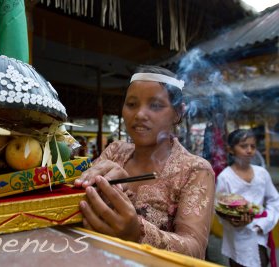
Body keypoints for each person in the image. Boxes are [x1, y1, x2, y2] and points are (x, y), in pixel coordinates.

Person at [74, 65, 215, 259]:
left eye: (155, 105)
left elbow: (195, 249)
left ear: (177, 113)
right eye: (131, 104)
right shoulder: (115, 152)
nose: (139, 114)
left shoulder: (195, 170)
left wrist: (138, 232)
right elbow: (77, 203)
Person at [216, 129, 279, 267]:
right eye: (244, 146)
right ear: (230, 149)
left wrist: (263, 223)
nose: (249, 150)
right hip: (237, 235)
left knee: (262, 260)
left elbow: (275, 200)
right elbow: (219, 208)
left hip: (259, 231)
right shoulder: (225, 177)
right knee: (239, 262)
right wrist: (232, 220)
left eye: (253, 146)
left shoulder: (262, 174)